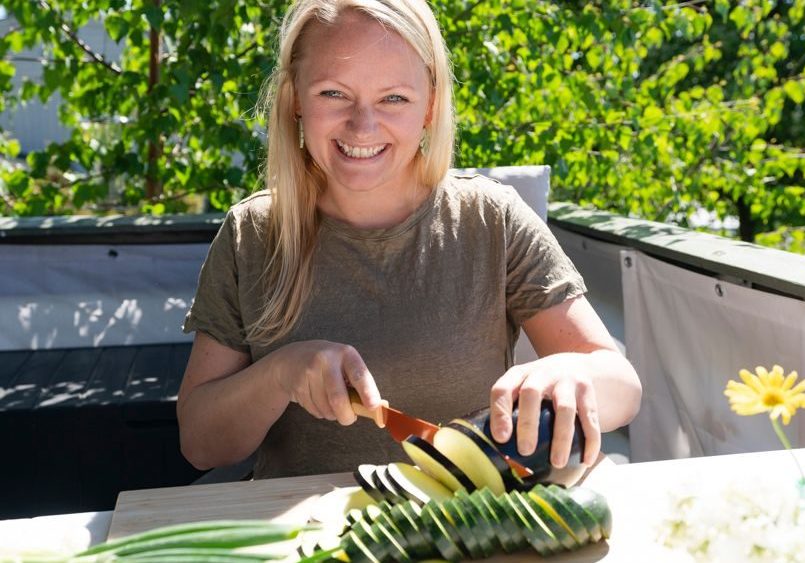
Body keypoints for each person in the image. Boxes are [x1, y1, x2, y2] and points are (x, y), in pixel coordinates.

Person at [177, 0, 642, 479]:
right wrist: (279, 374)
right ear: (295, 97)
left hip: (468, 531)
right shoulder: (251, 234)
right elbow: (200, 444)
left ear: (431, 106)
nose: (363, 125)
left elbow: (622, 388)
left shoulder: (491, 220)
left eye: (393, 98)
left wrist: (574, 376)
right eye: (334, 93)